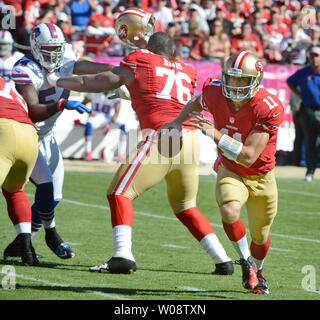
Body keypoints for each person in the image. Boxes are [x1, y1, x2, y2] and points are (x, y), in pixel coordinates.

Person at [47, 31, 234, 275]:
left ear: (149, 48)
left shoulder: (142, 59)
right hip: (190, 140)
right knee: (186, 206)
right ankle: (223, 260)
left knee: (119, 193)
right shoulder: (188, 70)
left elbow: (101, 81)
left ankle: (122, 255)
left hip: (163, 135)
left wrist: (57, 82)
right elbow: (165, 96)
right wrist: (131, 91)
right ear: (174, 53)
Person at [161, 51, 284, 295]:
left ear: (256, 80)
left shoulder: (267, 107)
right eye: (231, 78)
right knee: (229, 209)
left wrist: (214, 134)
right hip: (230, 169)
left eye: (241, 80)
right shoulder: (214, 90)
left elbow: (249, 156)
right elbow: (196, 102)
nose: (234, 85)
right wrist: (177, 121)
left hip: (260, 176)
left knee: (260, 235)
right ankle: (246, 262)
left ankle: (258, 270)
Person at [4, 22, 113, 262]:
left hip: (48, 136)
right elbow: (34, 110)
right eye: (47, 50)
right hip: (27, 133)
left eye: (57, 49)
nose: (53, 55)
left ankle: (20, 244)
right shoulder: (25, 68)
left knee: (54, 196)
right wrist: (63, 104)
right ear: (34, 48)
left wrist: (115, 71)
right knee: (39, 188)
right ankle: (47, 236)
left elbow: (85, 66)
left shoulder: (66, 54)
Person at [0, 76, 39, 266]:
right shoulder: (9, 89)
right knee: (14, 190)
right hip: (30, 135)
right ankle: (26, 248)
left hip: (4, 129)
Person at [287, 46, 320, 182]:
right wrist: (300, 94)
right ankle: (310, 171)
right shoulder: (303, 72)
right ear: (308, 57)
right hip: (308, 110)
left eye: (317, 55)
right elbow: (290, 82)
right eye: (312, 56)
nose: (315, 58)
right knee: (310, 141)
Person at [82, 92, 127, 162]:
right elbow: (82, 104)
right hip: (95, 117)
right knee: (89, 123)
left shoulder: (114, 95)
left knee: (122, 125)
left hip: (108, 118)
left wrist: (110, 123)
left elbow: (116, 112)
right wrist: (89, 111)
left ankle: (121, 153)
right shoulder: (94, 91)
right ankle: (88, 152)